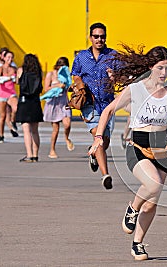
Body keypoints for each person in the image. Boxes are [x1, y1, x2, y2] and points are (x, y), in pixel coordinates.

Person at [88, 45, 167, 260]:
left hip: (162, 150)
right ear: (150, 67)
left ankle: (138, 243)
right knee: (153, 185)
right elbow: (108, 110)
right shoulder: (136, 89)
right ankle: (132, 208)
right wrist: (98, 138)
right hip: (137, 146)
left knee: (152, 202)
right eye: (160, 68)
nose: (164, 73)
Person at [71, 22, 117, 190]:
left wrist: (114, 76)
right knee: (97, 135)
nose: (99, 39)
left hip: (107, 103)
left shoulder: (112, 55)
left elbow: (121, 76)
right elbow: (75, 74)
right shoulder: (81, 57)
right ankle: (106, 175)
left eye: (102, 36)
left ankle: (93, 152)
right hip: (89, 104)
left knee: (104, 141)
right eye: (96, 36)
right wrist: (79, 84)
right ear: (90, 38)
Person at [43, 57, 74, 158]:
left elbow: (69, 88)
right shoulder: (51, 74)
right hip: (53, 103)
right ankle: (52, 150)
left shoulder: (66, 75)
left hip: (63, 102)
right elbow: (45, 89)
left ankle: (66, 138)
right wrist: (57, 86)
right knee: (55, 129)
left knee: (67, 124)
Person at [15, 54, 44, 162]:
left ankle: (29, 155)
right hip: (35, 102)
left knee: (26, 130)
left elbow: (17, 82)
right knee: (35, 131)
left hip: (24, 101)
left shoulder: (21, 70)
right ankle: (35, 155)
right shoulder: (38, 72)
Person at [0, 47, 18, 135]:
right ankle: (2, 134)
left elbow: (17, 79)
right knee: (4, 114)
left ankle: (12, 122)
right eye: (8, 57)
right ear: (3, 57)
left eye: (11, 57)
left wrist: (15, 79)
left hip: (11, 92)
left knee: (15, 108)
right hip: (0, 92)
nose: (10, 59)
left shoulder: (14, 68)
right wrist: (4, 79)